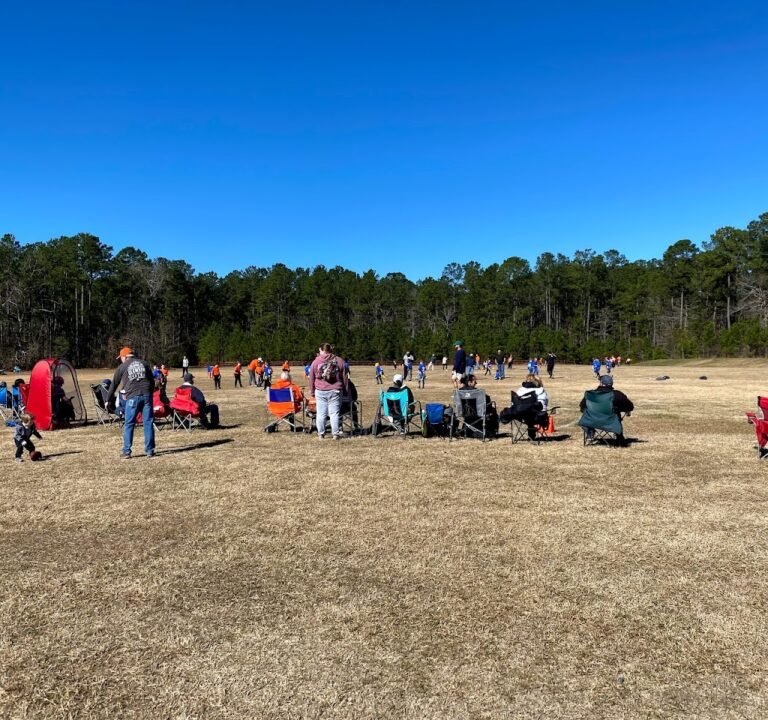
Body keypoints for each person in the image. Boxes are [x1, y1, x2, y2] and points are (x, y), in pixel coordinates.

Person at [105, 347, 156, 459]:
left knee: (129, 424)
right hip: (147, 395)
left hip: (133, 396)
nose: (120, 360)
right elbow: (152, 381)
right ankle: (150, 450)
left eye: (121, 358)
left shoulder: (122, 367)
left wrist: (107, 399)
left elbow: (114, 384)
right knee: (148, 422)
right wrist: (149, 393)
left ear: (125, 356)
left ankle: (127, 451)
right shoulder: (144, 363)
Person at [308, 343, 348, 440]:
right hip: (335, 390)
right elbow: (345, 378)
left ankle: (321, 434)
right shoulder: (339, 361)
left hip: (320, 390)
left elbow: (312, 378)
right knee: (334, 413)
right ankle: (335, 434)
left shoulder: (316, 362)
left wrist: (312, 391)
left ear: (321, 350)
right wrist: (345, 391)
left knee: (321, 414)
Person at [579, 375, 634, 445]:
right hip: (611, 422)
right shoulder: (617, 394)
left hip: (591, 421)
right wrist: (625, 410)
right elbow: (630, 406)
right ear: (612, 384)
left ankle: (590, 432)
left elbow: (582, 407)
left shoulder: (591, 394)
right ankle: (619, 437)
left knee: (585, 415)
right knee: (616, 414)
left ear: (601, 383)